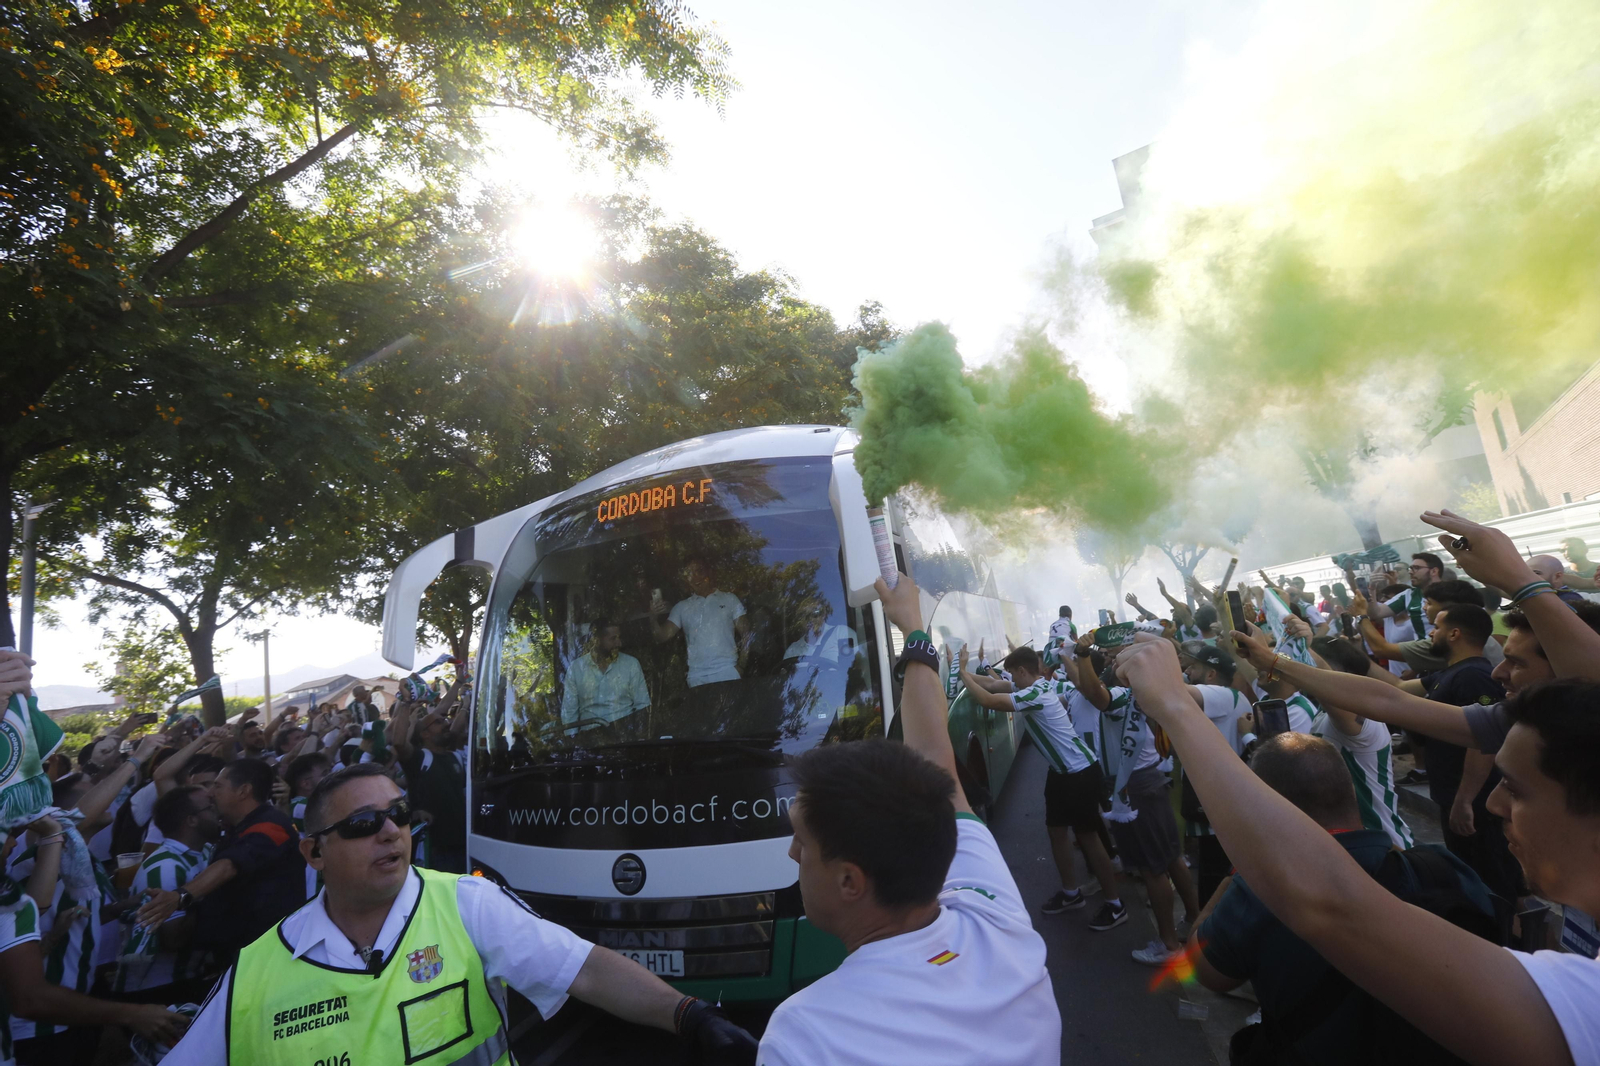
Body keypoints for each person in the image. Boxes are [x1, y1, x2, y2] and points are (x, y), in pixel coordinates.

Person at [1116, 626, 1600, 1066]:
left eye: (1515, 788)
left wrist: (1175, 707)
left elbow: (1327, 906)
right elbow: (1388, 698)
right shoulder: (1444, 868)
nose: (1494, 803)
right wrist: (1274, 661)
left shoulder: (1587, 1003)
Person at [160, 763, 757, 1066]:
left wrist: (691, 1016)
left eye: (398, 814)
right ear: (314, 853)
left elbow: (586, 970)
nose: (391, 832)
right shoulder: (254, 974)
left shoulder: (467, 903)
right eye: (364, 824)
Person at [757, 574, 1058, 1065]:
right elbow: (936, 757)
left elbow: (935, 762)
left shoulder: (806, 1035)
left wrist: (914, 629)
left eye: (803, 843)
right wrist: (914, 631)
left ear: (850, 881)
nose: (792, 854)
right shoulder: (994, 920)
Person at [1190, 732, 1494, 1066]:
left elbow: (1206, 972)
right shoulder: (1440, 867)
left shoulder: (1261, 889)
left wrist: (1236, 874)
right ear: (1349, 791)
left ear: (1266, 808)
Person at [958, 646, 1124, 929]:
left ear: (1022, 671)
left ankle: (1115, 905)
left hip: (1079, 772)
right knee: (1056, 831)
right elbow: (993, 684)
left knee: (1088, 838)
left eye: (1013, 674)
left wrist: (962, 673)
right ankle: (1071, 894)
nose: (1011, 679)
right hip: (1061, 772)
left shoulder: (1034, 694)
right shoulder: (1034, 686)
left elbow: (989, 700)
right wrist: (964, 673)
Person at [1071, 632, 1199, 965]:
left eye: (1119, 660)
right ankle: (1195, 922)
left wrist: (1082, 654)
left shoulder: (1120, 697)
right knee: (1172, 858)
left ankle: (1168, 944)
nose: (1114, 661)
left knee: (1152, 868)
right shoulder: (1146, 691)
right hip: (1151, 779)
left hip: (1134, 787)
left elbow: (1093, 693)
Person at [136, 758, 306, 965]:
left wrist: (179, 896)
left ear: (243, 791)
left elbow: (229, 865)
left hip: (266, 957)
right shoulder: (237, 827)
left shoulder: (271, 826)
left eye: (217, 785)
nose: (210, 793)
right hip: (241, 955)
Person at [113, 785, 221, 1004]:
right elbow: (172, 939)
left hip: (188, 979)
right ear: (191, 820)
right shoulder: (165, 867)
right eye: (210, 807)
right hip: (154, 990)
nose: (217, 811)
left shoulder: (205, 853)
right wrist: (210, 895)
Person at [1306, 637, 1414, 848]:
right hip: (1358, 844)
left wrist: (1302, 645)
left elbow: (1329, 685)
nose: (1305, 672)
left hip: (1383, 847)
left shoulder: (1359, 716)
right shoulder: (1326, 712)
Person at [391, 699, 468, 873]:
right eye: (438, 722)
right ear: (425, 734)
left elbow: (456, 730)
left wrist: (465, 704)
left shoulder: (455, 757)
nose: (446, 724)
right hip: (435, 848)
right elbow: (399, 743)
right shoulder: (420, 759)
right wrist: (405, 703)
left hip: (464, 843)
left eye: (445, 720)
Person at [650, 558, 750, 687]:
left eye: (699, 571)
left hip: (728, 671)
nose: (695, 577)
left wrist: (741, 666)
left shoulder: (729, 599)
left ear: (709, 572)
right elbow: (661, 637)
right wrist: (653, 617)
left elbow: (747, 634)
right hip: (697, 677)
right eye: (690, 573)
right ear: (686, 579)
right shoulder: (682, 607)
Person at [561, 620, 651, 732]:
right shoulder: (576, 668)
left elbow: (642, 706)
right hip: (589, 737)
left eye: (619, 637)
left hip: (624, 736)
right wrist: (571, 739)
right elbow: (569, 714)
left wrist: (640, 737)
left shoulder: (631, 664)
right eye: (613, 639)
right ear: (597, 640)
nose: (619, 643)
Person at [1365, 552, 1445, 637]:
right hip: (1420, 645)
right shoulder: (1408, 594)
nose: (1410, 572)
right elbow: (1376, 613)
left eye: (1416, 568)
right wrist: (1372, 588)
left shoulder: (1450, 592)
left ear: (1434, 571)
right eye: (1410, 568)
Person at [783, 601, 855, 664]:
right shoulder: (793, 650)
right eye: (805, 616)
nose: (810, 619)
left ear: (823, 615)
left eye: (814, 614)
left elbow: (857, 664)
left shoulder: (841, 633)